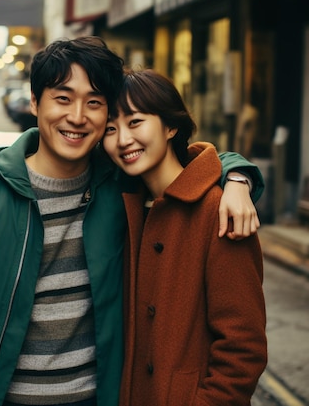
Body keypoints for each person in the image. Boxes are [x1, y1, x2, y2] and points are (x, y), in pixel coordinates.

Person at [0, 36, 264, 406]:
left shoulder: (120, 189)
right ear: (34, 101)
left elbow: (183, 168)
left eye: (94, 104)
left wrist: (238, 177)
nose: (77, 117)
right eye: (63, 98)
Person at [101, 68, 267, 406]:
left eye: (135, 122)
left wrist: (238, 179)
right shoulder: (122, 205)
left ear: (170, 125)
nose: (122, 140)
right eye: (110, 128)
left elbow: (242, 348)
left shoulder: (219, 210)